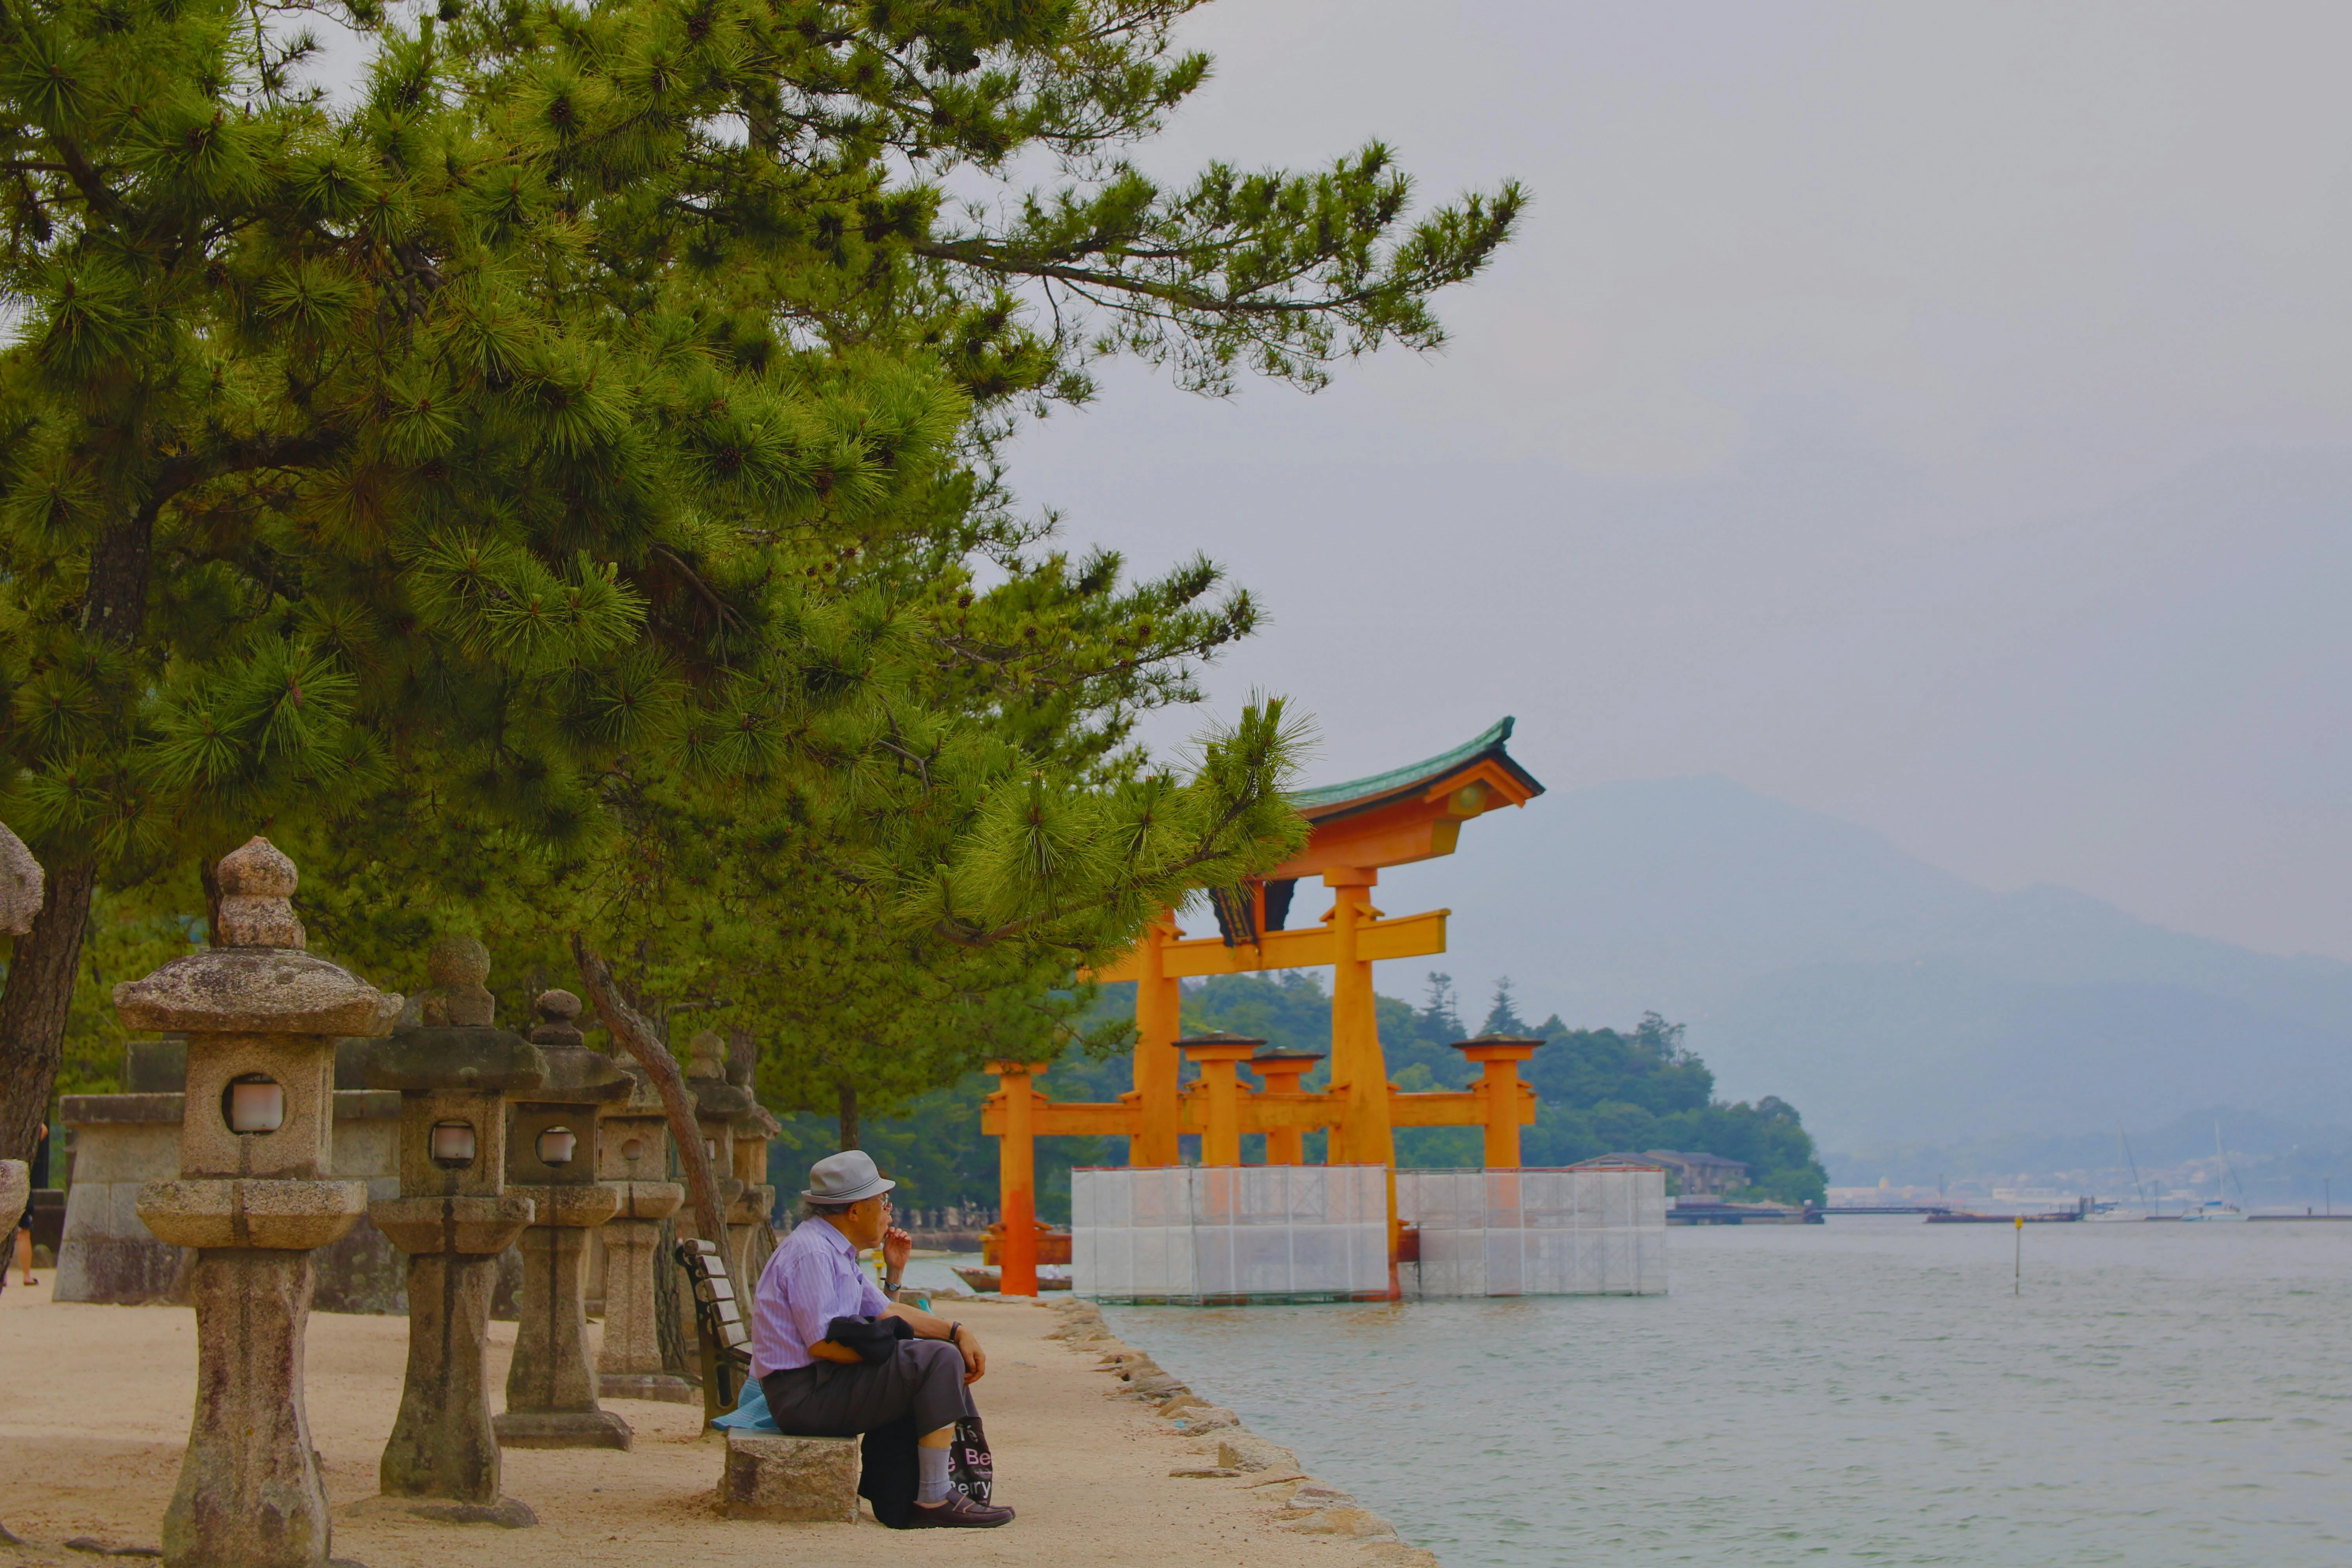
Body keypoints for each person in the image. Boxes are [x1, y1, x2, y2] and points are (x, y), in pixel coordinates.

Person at [750, 1150, 1013, 1529]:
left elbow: (887, 1312)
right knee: (936, 1361)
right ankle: (934, 1497)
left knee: (934, 1356)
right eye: (883, 1202)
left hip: (821, 1385)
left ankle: (908, 1497)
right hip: (804, 1395)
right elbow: (823, 1344)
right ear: (856, 1211)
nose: (889, 1211)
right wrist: (900, 1359)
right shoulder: (812, 1254)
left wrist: (957, 1331)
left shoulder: (835, 1252)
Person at [13, 1122, 47, 1288]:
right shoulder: (21, 1115)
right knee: (24, 1232)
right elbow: (43, 1129)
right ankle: (27, 1276)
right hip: (18, 1177)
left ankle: (4, 1276)